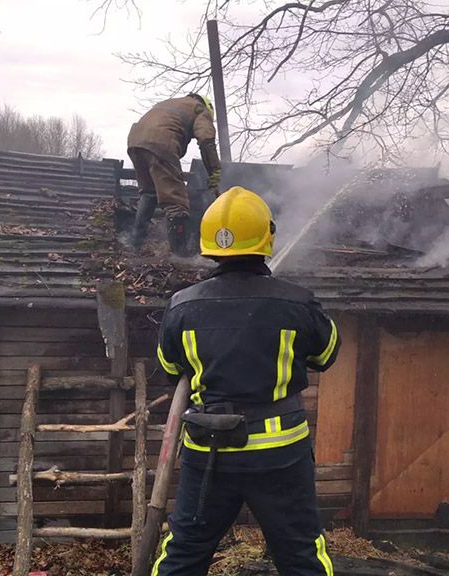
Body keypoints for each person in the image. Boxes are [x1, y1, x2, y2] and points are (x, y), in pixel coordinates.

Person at [152, 186, 340, 576]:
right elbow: (327, 354)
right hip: (281, 455)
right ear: (266, 238)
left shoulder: (182, 306)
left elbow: (171, 369)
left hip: (209, 452)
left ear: (208, 246)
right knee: (302, 554)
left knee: (184, 552)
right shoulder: (297, 303)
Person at [127, 93, 222, 257]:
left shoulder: (173, 103)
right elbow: (206, 141)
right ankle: (179, 254)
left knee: (148, 193)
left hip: (135, 141)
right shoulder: (200, 110)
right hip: (161, 142)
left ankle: (135, 244)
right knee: (175, 200)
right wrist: (215, 173)